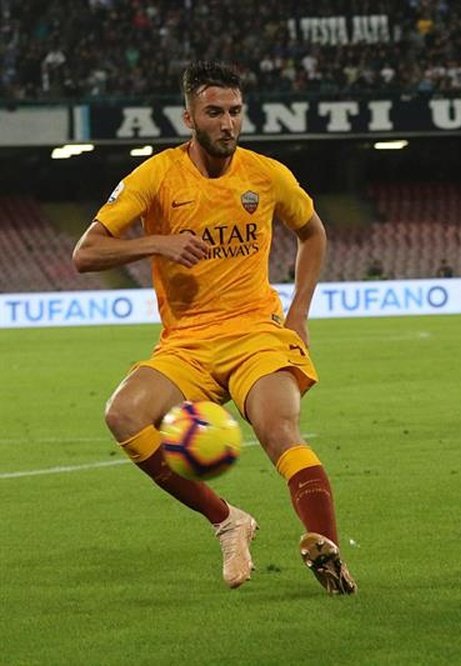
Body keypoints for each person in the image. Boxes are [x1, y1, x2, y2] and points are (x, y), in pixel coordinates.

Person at [71, 60, 356, 596]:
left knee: (278, 430)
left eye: (235, 112)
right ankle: (227, 520)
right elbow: (85, 253)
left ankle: (330, 554)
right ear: (189, 119)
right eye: (215, 112)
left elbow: (313, 234)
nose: (228, 123)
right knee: (123, 415)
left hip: (257, 333)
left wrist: (297, 314)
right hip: (189, 341)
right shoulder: (154, 178)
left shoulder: (267, 174)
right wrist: (156, 242)